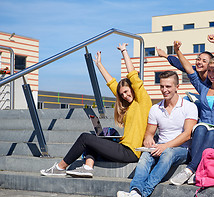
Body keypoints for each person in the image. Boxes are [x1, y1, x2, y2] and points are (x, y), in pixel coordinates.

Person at [40, 43, 152, 177]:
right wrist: (99, 64)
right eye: (121, 94)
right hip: (123, 147)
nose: (124, 96)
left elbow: (133, 75)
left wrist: (124, 51)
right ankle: (87, 167)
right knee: (92, 139)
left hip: (130, 152)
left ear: (133, 89)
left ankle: (60, 167)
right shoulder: (129, 104)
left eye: (127, 92)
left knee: (85, 138)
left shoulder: (143, 102)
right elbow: (112, 84)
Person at [116, 71, 198, 197]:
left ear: (177, 87)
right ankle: (135, 191)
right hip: (160, 146)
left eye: (168, 87)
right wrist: (148, 140)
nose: (164, 90)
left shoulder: (189, 107)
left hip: (182, 149)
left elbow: (187, 134)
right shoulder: (155, 109)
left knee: (168, 153)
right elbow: (149, 133)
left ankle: (143, 192)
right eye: (162, 86)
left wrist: (165, 146)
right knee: (146, 155)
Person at [169, 34, 214, 185]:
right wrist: (178, 51)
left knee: (212, 133)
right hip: (204, 126)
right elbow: (189, 70)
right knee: (199, 129)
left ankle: (190, 169)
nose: (211, 74)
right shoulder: (203, 88)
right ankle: (196, 169)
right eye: (210, 71)